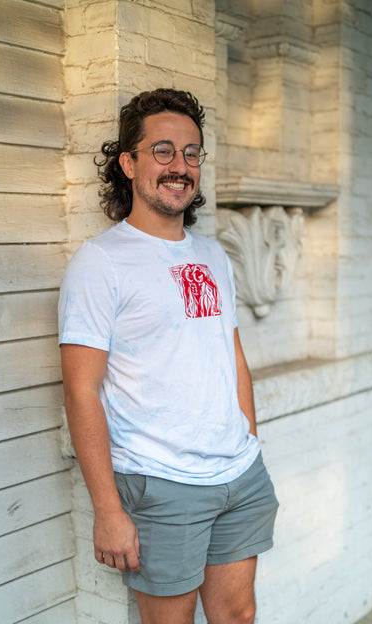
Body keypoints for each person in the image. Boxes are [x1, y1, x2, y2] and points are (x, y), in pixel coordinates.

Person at [58, 88, 278, 624]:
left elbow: (232, 358)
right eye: (163, 151)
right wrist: (108, 509)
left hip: (239, 475)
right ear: (128, 163)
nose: (180, 166)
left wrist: (247, 439)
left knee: (238, 616)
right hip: (162, 483)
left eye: (191, 153)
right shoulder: (101, 262)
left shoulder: (212, 254)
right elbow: (81, 390)